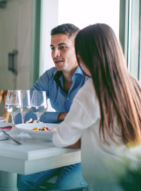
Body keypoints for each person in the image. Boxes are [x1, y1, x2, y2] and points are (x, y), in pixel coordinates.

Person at [53, 23, 141, 191]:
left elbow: (61, 139)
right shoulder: (135, 85)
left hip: (106, 184)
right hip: (132, 180)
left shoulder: (93, 90)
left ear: (83, 56)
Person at [17, 24, 88, 191]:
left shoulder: (90, 77)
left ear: (78, 50)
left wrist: (49, 116)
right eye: (52, 48)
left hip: (83, 151)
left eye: (62, 48)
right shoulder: (49, 77)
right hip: (55, 147)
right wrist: (60, 116)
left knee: (63, 186)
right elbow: (22, 115)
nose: (55, 54)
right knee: (23, 180)